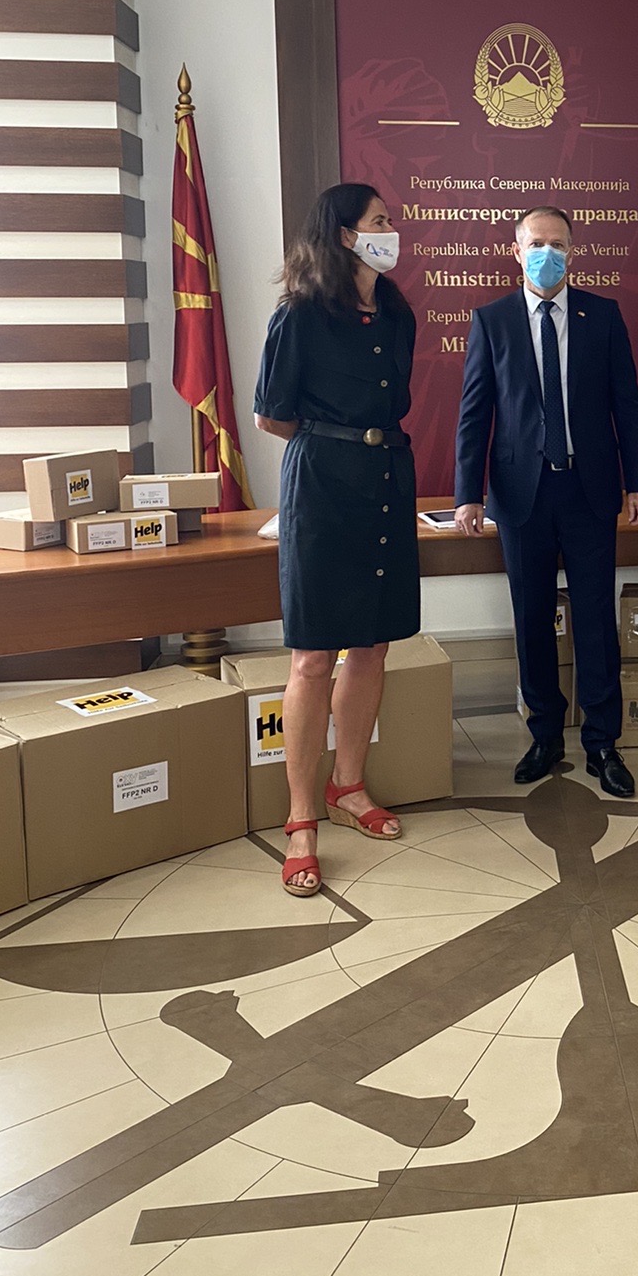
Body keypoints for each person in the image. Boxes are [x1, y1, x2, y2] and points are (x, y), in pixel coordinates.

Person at [454, 206, 638, 797]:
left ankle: (603, 742)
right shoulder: (491, 320)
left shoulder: (604, 315)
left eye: (559, 244)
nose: (548, 254)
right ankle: (544, 735)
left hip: (589, 490)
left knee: (595, 616)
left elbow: (628, 405)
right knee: (531, 617)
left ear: (573, 251)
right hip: (522, 494)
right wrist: (467, 494)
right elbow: (474, 414)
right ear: (516, 251)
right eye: (537, 244)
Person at [254, 183, 418, 897]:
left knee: (372, 644)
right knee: (315, 654)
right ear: (346, 235)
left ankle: (348, 785)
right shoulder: (299, 314)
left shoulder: (397, 311)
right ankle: (300, 817)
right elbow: (271, 416)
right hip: (322, 486)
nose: (392, 230)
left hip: (386, 478)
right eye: (380, 221)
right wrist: (335, 443)